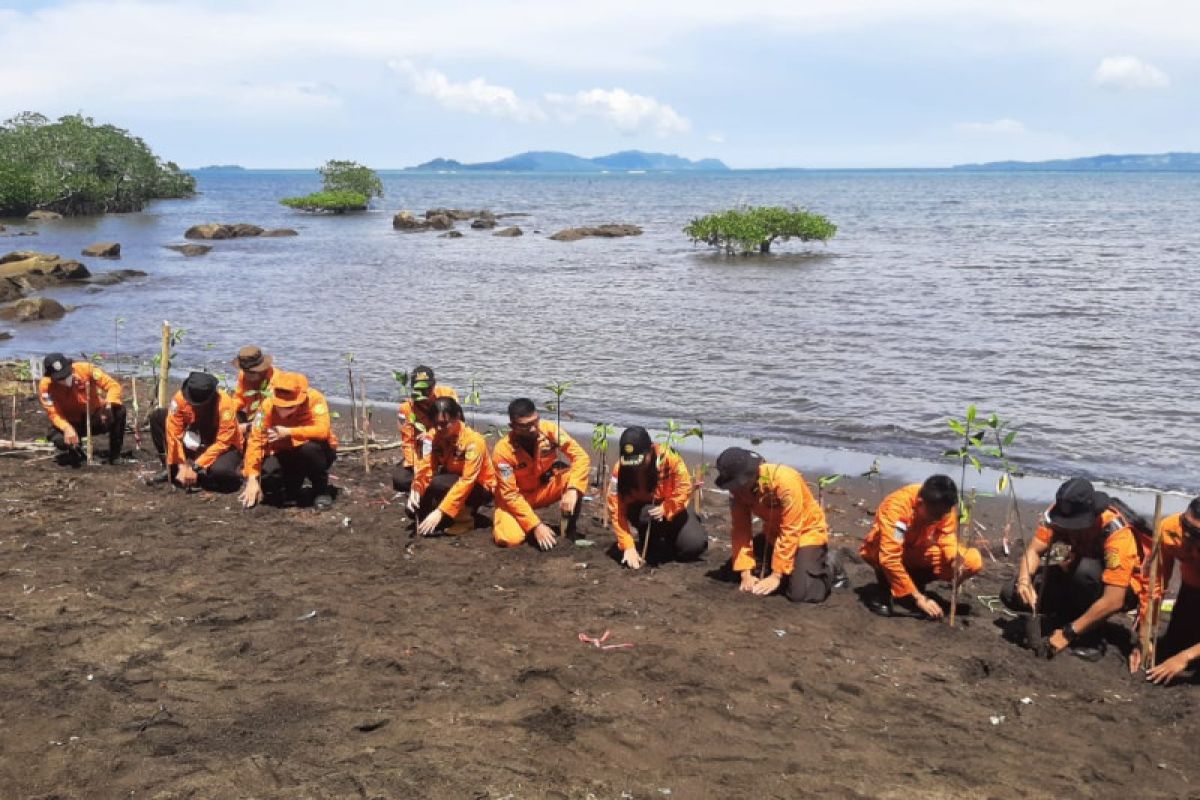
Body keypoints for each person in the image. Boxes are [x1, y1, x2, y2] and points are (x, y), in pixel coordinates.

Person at [1001, 478, 1143, 661]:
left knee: (1086, 571)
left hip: (1120, 589)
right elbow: (1035, 550)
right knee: (1010, 594)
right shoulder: (1057, 513)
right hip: (1076, 575)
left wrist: (1068, 633)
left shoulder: (1116, 534)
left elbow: (1114, 599)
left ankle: (1091, 636)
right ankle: (1066, 616)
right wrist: (1024, 581)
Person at [714, 447, 831, 603]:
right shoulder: (737, 491)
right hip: (774, 534)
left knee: (800, 593)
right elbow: (741, 528)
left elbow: (791, 528)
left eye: (741, 483)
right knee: (733, 571)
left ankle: (830, 564)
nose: (738, 489)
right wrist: (745, 573)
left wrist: (777, 575)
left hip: (806, 532)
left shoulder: (784, 481)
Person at [859, 475, 983, 619]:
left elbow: (946, 535)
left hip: (917, 550)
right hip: (885, 553)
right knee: (885, 555)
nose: (938, 519)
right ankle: (891, 588)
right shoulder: (897, 508)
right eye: (934, 515)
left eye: (943, 515)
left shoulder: (943, 507)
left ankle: (912, 584)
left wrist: (954, 558)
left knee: (971, 561)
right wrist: (919, 598)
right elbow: (889, 557)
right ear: (920, 503)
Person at [492, 397, 590, 549]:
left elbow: (581, 457)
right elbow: (510, 495)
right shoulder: (502, 452)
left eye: (535, 422)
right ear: (512, 426)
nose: (533, 429)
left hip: (542, 490)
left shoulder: (550, 431)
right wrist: (536, 525)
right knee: (509, 539)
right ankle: (527, 526)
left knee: (574, 479)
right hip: (516, 499)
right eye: (526, 426)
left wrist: (572, 489)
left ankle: (569, 530)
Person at [606, 426, 707, 569]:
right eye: (630, 463)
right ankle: (651, 543)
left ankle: (672, 538)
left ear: (651, 449)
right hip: (643, 513)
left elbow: (684, 487)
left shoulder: (669, 458)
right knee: (648, 513)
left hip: (673, 507)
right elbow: (616, 509)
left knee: (693, 546)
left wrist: (667, 508)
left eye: (640, 461)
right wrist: (627, 546)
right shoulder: (620, 470)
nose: (635, 467)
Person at [239, 371, 338, 510]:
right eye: (279, 406)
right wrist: (252, 478)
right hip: (282, 450)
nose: (282, 412)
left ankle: (321, 490)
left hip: (314, 450)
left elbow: (323, 430)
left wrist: (289, 432)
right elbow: (255, 440)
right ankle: (292, 483)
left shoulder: (315, 399)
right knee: (269, 476)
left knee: (310, 449)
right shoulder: (266, 407)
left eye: (289, 407)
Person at [1130, 496, 1200, 683]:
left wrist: (1184, 657)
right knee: (1174, 644)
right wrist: (1144, 634)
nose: (1185, 536)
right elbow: (1154, 584)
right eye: (1185, 524)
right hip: (1192, 585)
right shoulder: (1170, 529)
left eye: (1195, 533)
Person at [407, 396, 495, 537]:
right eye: (436, 424)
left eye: (444, 423)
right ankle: (449, 512)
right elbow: (427, 466)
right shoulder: (436, 436)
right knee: (414, 511)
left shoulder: (473, 442)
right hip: (451, 479)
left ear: (457, 417)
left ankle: (465, 519)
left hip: (479, 486)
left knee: (438, 484)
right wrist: (416, 488)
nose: (439, 428)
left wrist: (440, 511)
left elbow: (467, 480)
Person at [148, 372, 243, 492]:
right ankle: (171, 468)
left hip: (222, 445)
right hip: (196, 436)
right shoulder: (180, 398)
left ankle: (206, 476)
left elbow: (223, 442)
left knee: (221, 472)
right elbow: (173, 433)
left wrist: (196, 466)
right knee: (158, 416)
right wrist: (180, 463)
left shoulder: (225, 404)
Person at [38, 352, 127, 465]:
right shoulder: (45, 387)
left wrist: (108, 405)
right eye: (60, 378)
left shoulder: (86, 369)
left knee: (119, 411)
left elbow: (113, 386)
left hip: (95, 416)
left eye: (66, 374)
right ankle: (76, 451)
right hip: (71, 422)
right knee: (58, 439)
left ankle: (115, 455)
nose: (65, 379)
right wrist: (66, 428)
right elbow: (53, 413)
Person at [392, 365, 458, 493]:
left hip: (447, 449)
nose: (424, 393)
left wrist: (431, 434)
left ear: (434, 385)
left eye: (427, 388)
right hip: (422, 454)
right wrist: (418, 469)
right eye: (419, 389)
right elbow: (408, 442)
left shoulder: (447, 395)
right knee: (400, 479)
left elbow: (456, 425)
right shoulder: (406, 408)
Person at [232, 345, 276, 436]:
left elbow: (270, 414)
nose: (247, 375)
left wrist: (248, 427)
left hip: (270, 423)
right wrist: (228, 410)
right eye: (245, 371)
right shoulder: (243, 375)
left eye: (251, 372)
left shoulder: (275, 380)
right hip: (251, 417)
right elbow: (240, 398)